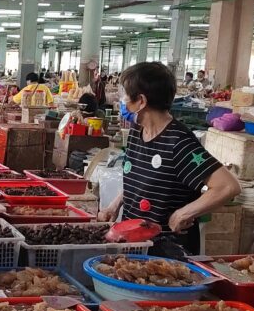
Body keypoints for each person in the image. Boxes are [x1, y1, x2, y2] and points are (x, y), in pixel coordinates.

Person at [98, 62, 240, 255]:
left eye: (125, 94)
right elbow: (139, 178)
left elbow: (228, 186)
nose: (122, 100)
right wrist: (115, 205)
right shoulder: (137, 130)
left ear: (141, 101)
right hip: (133, 242)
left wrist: (186, 212)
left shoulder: (179, 142)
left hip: (166, 252)